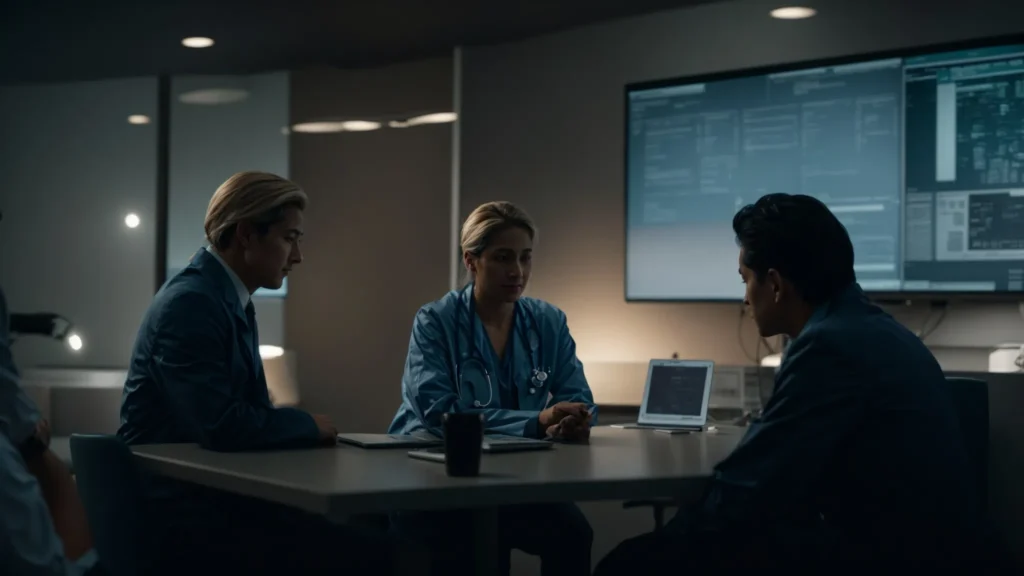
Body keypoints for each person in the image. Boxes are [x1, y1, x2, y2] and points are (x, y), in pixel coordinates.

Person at [595, 193, 981, 575]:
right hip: (929, 550)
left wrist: (672, 536)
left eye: (745, 280)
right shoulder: (883, 332)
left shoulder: (828, 347)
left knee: (628, 564)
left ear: (775, 284)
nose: (745, 298)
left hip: (882, 558)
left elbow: (750, 488)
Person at [118, 172, 399, 576]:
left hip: (215, 497)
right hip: (185, 513)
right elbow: (221, 425)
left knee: (374, 525)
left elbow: (244, 412)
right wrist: (305, 425)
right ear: (247, 234)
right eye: (290, 237)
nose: (297, 255)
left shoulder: (224, 298)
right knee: (376, 550)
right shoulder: (192, 305)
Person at [388, 201, 595, 576]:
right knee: (482, 552)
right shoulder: (435, 321)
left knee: (572, 533)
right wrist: (536, 421)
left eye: (525, 258)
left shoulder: (549, 321)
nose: (517, 271)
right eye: (503, 258)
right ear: (471, 260)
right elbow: (439, 413)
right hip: (437, 475)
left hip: (513, 477)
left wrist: (573, 420)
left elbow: (576, 396)